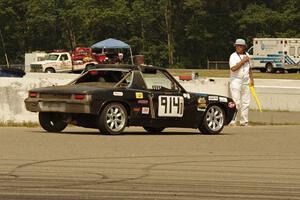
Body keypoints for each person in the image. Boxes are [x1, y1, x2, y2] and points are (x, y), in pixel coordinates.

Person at [229, 39, 254, 126]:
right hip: (236, 80)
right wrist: (243, 61)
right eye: (236, 46)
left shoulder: (247, 55)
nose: (237, 47)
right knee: (236, 102)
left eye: (239, 46)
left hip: (246, 81)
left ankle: (244, 121)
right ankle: (233, 121)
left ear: (244, 47)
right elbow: (233, 68)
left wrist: (252, 79)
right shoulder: (233, 56)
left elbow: (250, 68)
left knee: (246, 102)